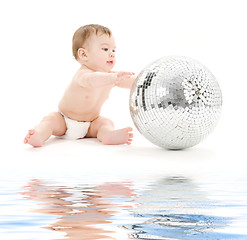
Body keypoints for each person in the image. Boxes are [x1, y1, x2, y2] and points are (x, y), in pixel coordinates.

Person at [24, 24, 136, 147]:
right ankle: (38, 135)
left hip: (91, 123)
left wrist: (145, 80)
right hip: (64, 120)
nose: (112, 54)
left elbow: (133, 82)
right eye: (105, 49)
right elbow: (91, 80)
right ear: (84, 55)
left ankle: (108, 135)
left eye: (113, 50)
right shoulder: (83, 74)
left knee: (105, 122)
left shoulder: (112, 77)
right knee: (50, 120)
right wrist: (112, 78)